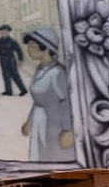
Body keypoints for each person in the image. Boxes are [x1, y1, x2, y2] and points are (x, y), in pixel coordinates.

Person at [20, 27, 76, 163]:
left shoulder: (58, 73)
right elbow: (38, 100)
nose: (28, 49)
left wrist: (68, 130)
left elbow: (68, 102)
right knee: (41, 156)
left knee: (55, 157)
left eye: (32, 46)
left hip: (55, 126)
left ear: (46, 48)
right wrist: (30, 121)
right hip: (41, 123)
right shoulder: (40, 70)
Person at [0, 24, 27, 96]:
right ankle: (8, 91)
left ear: (7, 32)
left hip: (11, 60)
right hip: (3, 60)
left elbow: (19, 50)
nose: (1, 33)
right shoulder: (0, 40)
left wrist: (20, 60)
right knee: (5, 75)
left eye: (3, 32)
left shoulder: (12, 41)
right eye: (1, 32)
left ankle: (23, 90)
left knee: (15, 75)